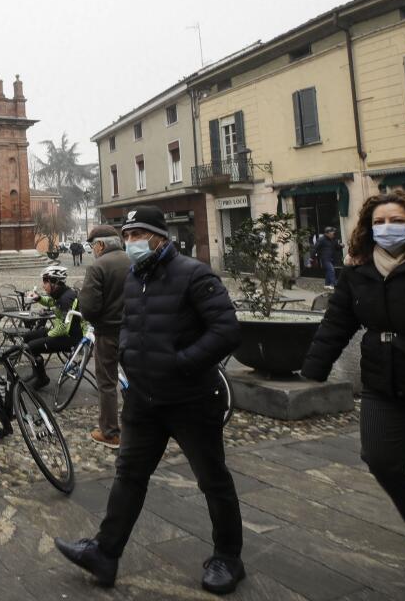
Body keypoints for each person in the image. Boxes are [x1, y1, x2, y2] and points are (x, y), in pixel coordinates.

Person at [55, 205, 244, 595]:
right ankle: (105, 554)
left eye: (138, 234)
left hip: (191, 397)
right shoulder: (135, 277)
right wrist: (127, 357)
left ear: (159, 237)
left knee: (212, 480)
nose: (131, 242)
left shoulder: (194, 274)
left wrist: (182, 363)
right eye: (126, 235)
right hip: (143, 398)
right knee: (129, 477)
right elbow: (129, 325)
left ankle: (228, 557)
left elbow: (226, 330)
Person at [300, 191, 405, 599]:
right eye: (378, 221)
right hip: (384, 387)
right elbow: (337, 322)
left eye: (395, 219)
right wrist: (313, 370)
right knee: (381, 460)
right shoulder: (358, 272)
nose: (386, 228)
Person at [78, 224, 131, 449]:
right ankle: (146, 425)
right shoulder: (133, 261)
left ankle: (110, 432)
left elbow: (89, 308)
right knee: (138, 378)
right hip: (134, 330)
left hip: (108, 332)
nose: (92, 250)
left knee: (107, 383)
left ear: (100, 245)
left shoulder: (98, 267)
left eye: (92, 246)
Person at [22, 265, 85, 389]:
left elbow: (63, 328)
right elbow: (51, 302)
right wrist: (39, 298)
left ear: (55, 282)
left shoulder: (66, 299)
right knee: (28, 336)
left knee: (31, 347)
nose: (43, 285)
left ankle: (42, 379)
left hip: (70, 338)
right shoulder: (61, 293)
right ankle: (37, 371)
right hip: (61, 333)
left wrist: (47, 334)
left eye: (45, 281)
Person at [312, 226, 342, 290]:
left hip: (332, 257)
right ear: (327, 233)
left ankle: (327, 284)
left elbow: (337, 247)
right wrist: (311, 257)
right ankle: (333, 284)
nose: (334, 233)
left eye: (334, 232)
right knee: (331, 270)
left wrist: (341, 246)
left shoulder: (333, 239)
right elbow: (315, 249)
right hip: (324, 258)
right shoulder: (321, 239)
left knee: (328, 271)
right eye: (332, 232)